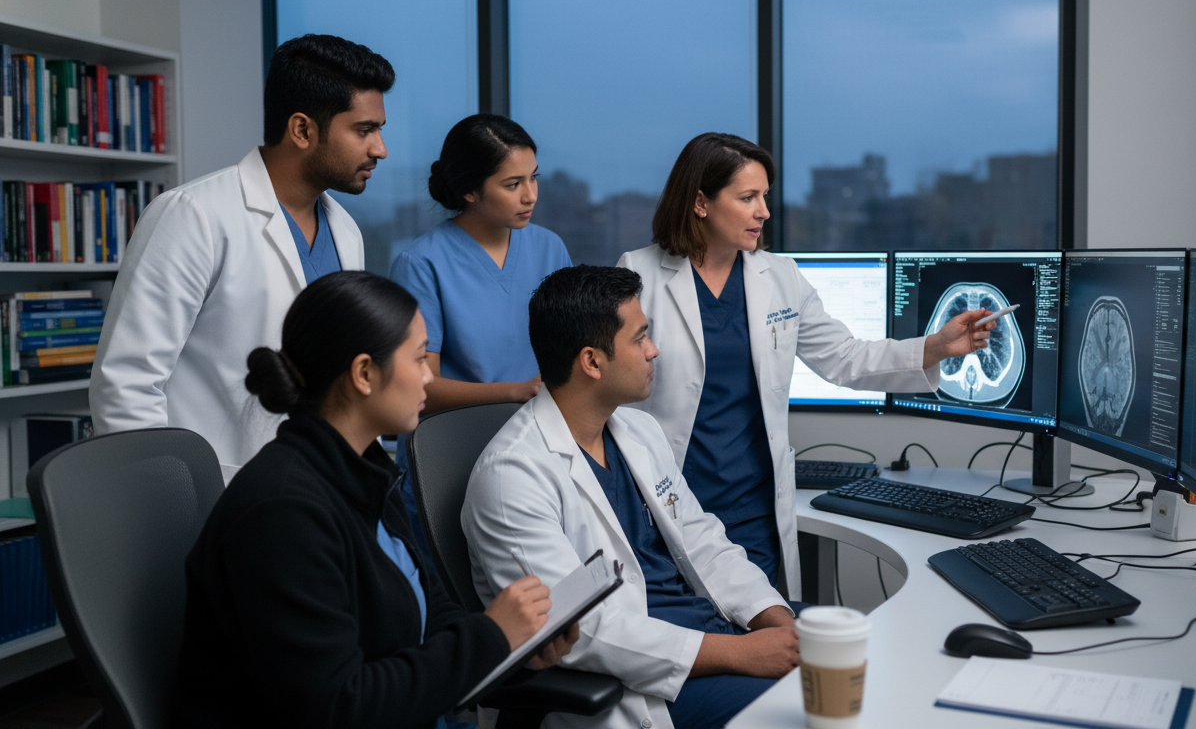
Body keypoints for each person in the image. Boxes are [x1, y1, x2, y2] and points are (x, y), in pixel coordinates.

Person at [175, 271, 577, 729]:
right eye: (419, 358)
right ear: (365, 373)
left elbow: (431, 616)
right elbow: (336, 707)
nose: (429, 377)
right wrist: (489, 637)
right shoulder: (281, 512)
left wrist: (514, 648)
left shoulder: (363, 472)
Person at [616, 133, 994, 599]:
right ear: (700, 202)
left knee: (769, 639)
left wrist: (934, 347)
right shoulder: (640, 274)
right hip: (671, 503)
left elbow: (845, 358)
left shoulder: (780, 277)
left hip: (753, 510)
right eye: (747, 198)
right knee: (691, 643)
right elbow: (613, 393)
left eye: (765, 198)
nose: (764, 212)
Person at [462, 265, 800, 729]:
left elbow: (703, 540)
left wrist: (773, 620)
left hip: (708, 631)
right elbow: (582, 631)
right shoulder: (512, 477)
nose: (653, 350)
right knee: (809, 707)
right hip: (639, 682)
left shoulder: (636, 430)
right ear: (592, 361)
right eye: (640, 338)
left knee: (850, 646)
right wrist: (741, 653)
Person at [91, 34, 392, 483]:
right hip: (215, 495)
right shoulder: (193, 216)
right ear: (303, 130)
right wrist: (170, 506)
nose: (380, 148)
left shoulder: (344, 230)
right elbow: (127, 384)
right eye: (364, 130)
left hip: (319, 495)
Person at [389, 114, 570, 540]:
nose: (530, 196)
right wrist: (515, 392)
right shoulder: (422, 264)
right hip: (446, 462)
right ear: (469, 191)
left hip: (534, 455)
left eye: (534, 178)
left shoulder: (550, 248)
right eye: (512, 185)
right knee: (451, 600)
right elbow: (420, 386)